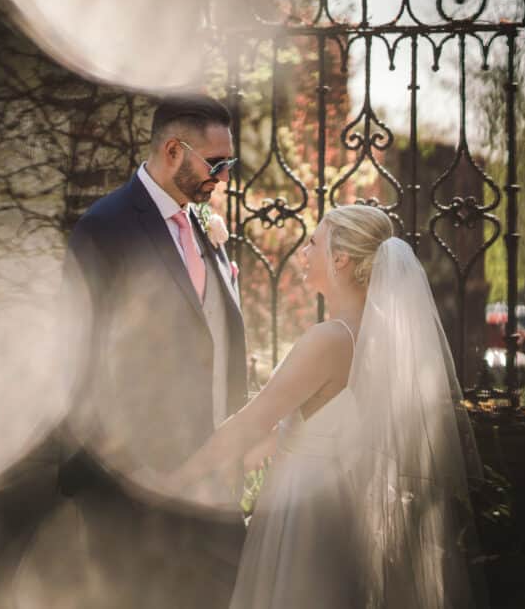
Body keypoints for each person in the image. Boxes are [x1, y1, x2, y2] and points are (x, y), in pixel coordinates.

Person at [164, 204, 487, 609]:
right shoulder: (382, 332)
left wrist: (175, 481)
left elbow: (253, 422)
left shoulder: (330, 339)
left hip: (309, 514)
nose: (304, 251)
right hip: (348, 505)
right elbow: (308, 429)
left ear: (341, 258)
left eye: (313, 243)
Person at [58, 94, 248, 608]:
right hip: (135, 493)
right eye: (217, 163)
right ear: (172, 151)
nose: (225, 176)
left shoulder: (206, 227)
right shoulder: (106, 227)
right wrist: (124, 476)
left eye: (229, 163)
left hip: (211, 480)